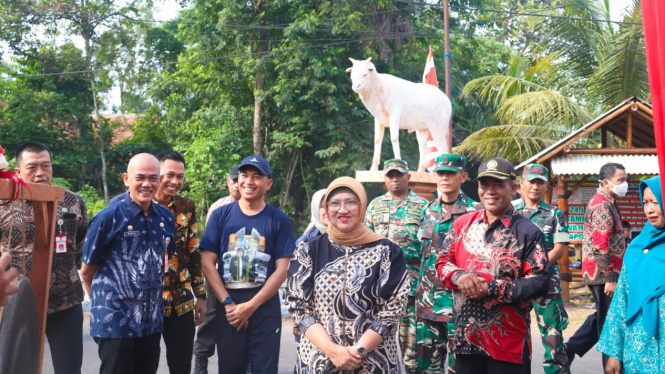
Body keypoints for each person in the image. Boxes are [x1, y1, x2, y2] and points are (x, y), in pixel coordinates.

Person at [435, 157, 550, 374]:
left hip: (508, 344)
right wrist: (459, 276)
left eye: (498, 184)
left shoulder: (529, 232)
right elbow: (442, 261)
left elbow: (540, 281)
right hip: (466, 340)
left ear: (514, 188)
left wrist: (491, 288)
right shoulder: (462, 224)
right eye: (484, 184)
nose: (490, 191)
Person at [286, 177, 410, 373]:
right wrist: (333, 350)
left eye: (351, 202)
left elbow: (394, 306)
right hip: (318, 360)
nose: (342, 210)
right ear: (326, 208)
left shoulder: (386, 251)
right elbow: (298, 304)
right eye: (334, 203)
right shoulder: (308, 250)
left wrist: (358, 351)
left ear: (362, 206)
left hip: (373, 361)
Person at [80, 153, 176, 374]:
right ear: (126, 179)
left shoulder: (166, 218)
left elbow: (164, 260)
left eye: (153, 178)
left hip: (151, 322)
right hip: (115, 323)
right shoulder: (107, 218)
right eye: (139, 177)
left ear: (160, 181)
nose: (146, 184)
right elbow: (87, 272)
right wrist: (104, 308)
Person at [200, 155, 296, 374]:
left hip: (264, 308)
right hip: (229, 308)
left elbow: (282, 270)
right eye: (244, 175)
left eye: (257, 176)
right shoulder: (219, 216)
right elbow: (207, 263)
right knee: (230, 367)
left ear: (268, 183)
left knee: (265, 368)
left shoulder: (279, 220)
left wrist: (251, 306)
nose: (248, 181)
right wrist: (228, 303)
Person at [0, 141, 88, 374]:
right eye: (32, 167)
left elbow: (78, 245)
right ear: (17, 171)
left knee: (69, 369)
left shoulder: (72, 201)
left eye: (46, 166)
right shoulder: (4, 202)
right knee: (16, 366)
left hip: (65, 300)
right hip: (17, 301)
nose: (41, 173)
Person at [412, 154, 481, 374]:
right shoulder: (428, 210)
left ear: (463, 176)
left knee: (459, 367)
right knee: (426, 368)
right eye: (441, 173)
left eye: (451, 173)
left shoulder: (476, 211)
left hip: (459, 305)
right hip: (427, 304)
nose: (445, 178)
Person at [363, 159, 428, 372]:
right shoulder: (375, 205)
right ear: (385, 178)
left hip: (411, 288)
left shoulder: (423, 206)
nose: (394, 179)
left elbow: (429, 248)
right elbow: (365, 242)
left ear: (408, 177)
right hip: (379, 289)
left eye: (399, 174)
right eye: (390, 175)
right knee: (377, 345)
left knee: (412, 349)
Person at [597, 175, 665, 374]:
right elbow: (621, 302)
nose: (649, 210)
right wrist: (614, 354)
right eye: (645, 203)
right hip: (639, 349)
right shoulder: (636, 249)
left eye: (656, 202)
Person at [565, 163, 627, 369]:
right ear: (607, 182)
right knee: (608, 324)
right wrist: (610, 277)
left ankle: (569, 349)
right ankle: (608, 367)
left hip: (605, 273)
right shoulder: (601, 205)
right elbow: (601, 245)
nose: (624, 184)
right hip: (603, 275)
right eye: (621, 180)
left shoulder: (608, 201)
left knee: (603, 316)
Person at [150, 150, 206, 374]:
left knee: (181, 365)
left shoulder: (187, 206)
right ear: (157, 174)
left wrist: (200, 295)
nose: (175, 181)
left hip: (180, 300)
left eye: (180, 176)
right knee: (143, 365)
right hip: (146, 302)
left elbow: (193, 252)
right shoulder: (138, 203)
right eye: (169, 174)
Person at [513, 164, 570, 374]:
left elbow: (559, 249)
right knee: (516, 337)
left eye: (540, 182)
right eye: (531, 181)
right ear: (521, 184)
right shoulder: (511, 211)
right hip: (517, 284)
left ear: (546, 185)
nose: (535, 186)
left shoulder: (556, 213)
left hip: (547, 284)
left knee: (553, 339)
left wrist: (535, 271)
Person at [194, 164, 241, 374]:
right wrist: (209, 274)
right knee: (209, 320)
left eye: (240, 180)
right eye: (233, 181)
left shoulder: (257, 207)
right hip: (217, 273)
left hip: (243, 276)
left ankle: (244, 363)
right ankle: (201, 363)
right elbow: (209, 244)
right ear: (228, 182)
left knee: (241, 319)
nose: (237, 185)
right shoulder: (217, 208)